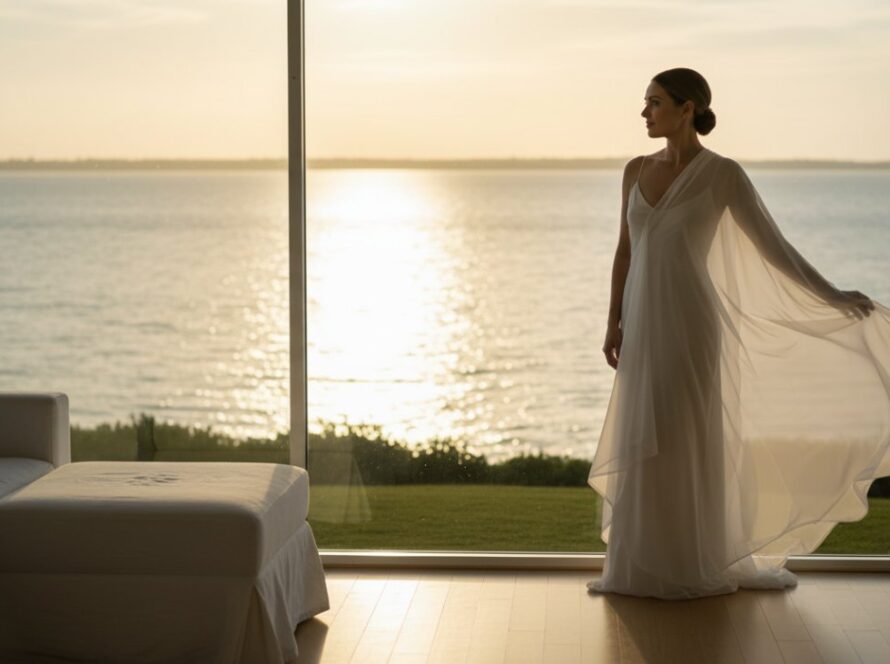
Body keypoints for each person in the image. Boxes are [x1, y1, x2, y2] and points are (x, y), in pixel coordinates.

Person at [587, 67, 889, 600]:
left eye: (654, 103)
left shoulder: (723, 175)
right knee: (644, 439)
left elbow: (775, 249)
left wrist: (834, 296)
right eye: (645, 102)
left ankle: (690, 563)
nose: (644, 113)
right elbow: (625, 250)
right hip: (643, 324)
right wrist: (613, 320)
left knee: (686, 441)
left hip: (691, 325)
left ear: (687, 110)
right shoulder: (634, 170)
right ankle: (638, 568)